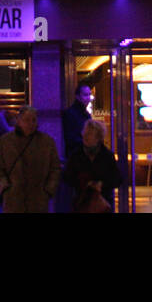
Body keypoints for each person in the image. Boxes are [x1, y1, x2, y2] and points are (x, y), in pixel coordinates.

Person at [0, 106, 61, 213]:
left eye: (33, 120)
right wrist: (5, 187)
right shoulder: (6, 142)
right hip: (14, 200)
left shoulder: (46, 142)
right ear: (18, 121)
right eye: (27, 120)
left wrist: (48, 190)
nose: (31, 124)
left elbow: (55, 167)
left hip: (38, 200)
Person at [62, 119, 122, 213]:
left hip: (102, 203)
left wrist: (101, 184)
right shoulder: (76, 155)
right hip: (82, 203)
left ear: (98, 137)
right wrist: (84, 182)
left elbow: (116, 179)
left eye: (89, 133)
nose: (85, 136)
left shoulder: (107, 156)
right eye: (85, 132)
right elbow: (67, 177)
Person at [58, 83, 93, 213]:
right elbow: (70, 138)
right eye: (85, 95)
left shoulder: (84, 114)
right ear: (77, 96)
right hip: (77, 160)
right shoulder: (72, 114)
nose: (88, 98)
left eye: (89, 94)